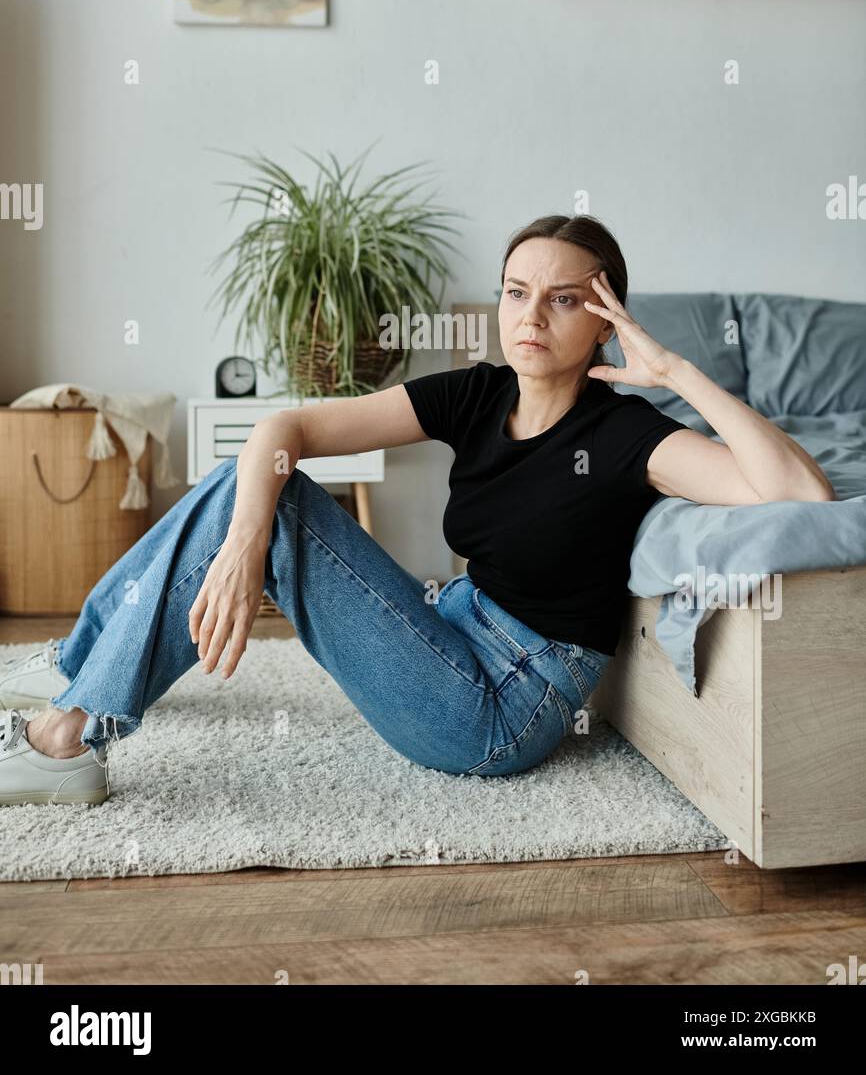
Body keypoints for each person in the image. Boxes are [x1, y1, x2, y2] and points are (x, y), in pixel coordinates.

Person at [0, 214, 834, 804]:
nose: (531, 315)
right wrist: (245, 547)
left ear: (607, 321)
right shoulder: (479, 392)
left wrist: (681, 376)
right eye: (515, 292)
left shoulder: (628, 434)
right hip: (457, 628)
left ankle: (68, 737)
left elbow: (800, 493)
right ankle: (84, 665)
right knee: (250, 484)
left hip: (504, 706)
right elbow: (282, 429)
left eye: (565, 299)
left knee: (272, 504)